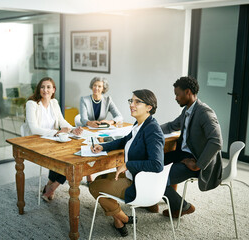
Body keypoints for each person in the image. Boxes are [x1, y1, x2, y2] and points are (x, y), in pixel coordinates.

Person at [89, 89, 164, 237]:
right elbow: (125, 141)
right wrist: (103, 146)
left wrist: (128, 165)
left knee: (94, 187)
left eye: (137, 102)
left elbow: (157, 165)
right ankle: (120, 220)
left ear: (149, 107)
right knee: (99, 179)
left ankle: (123, 217)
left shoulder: (152, 130)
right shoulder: (140, 124)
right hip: (132, 175)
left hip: (140, 183)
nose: (132, 104)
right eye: (131, 101)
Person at [159, 76, 222, 218]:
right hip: (183, 155)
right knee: (152, 164)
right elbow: (171, 126)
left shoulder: (204, 112)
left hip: (196, 160)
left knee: (158, 178)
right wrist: (149, 129)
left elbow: (216, 141)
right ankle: (158, 201)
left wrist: (198, 165)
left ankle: (183, 206)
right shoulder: (188, 110)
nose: (175, 98)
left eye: (177, 94)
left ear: (188, 92)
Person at [23, 77, 83, 202]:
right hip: (37, 141)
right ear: (39, 89)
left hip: (53, 140)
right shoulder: (32, 104)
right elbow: (34, 129)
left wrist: (72, 129)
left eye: (48, 87)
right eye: (42, 87)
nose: (45, 90)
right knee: (67, 160)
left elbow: (62, 121)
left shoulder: (54, 103)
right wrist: (56, 133)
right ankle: (51, 188)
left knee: (71, 159)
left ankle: (51, 185)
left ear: (53, 89)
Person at [79, 77, 123, 184]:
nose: (96, 88)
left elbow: (119, 116)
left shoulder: (108, 100)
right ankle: (89, 177)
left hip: (102, 131)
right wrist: (90, 123)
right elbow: (83, 118)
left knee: (116, 146)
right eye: (95, 85)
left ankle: (119, 176)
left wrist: (110, 122)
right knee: (89, 149)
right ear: (91, 86)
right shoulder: (84, 99)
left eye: (99, 86)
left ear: (103, 88)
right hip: (88, 130)